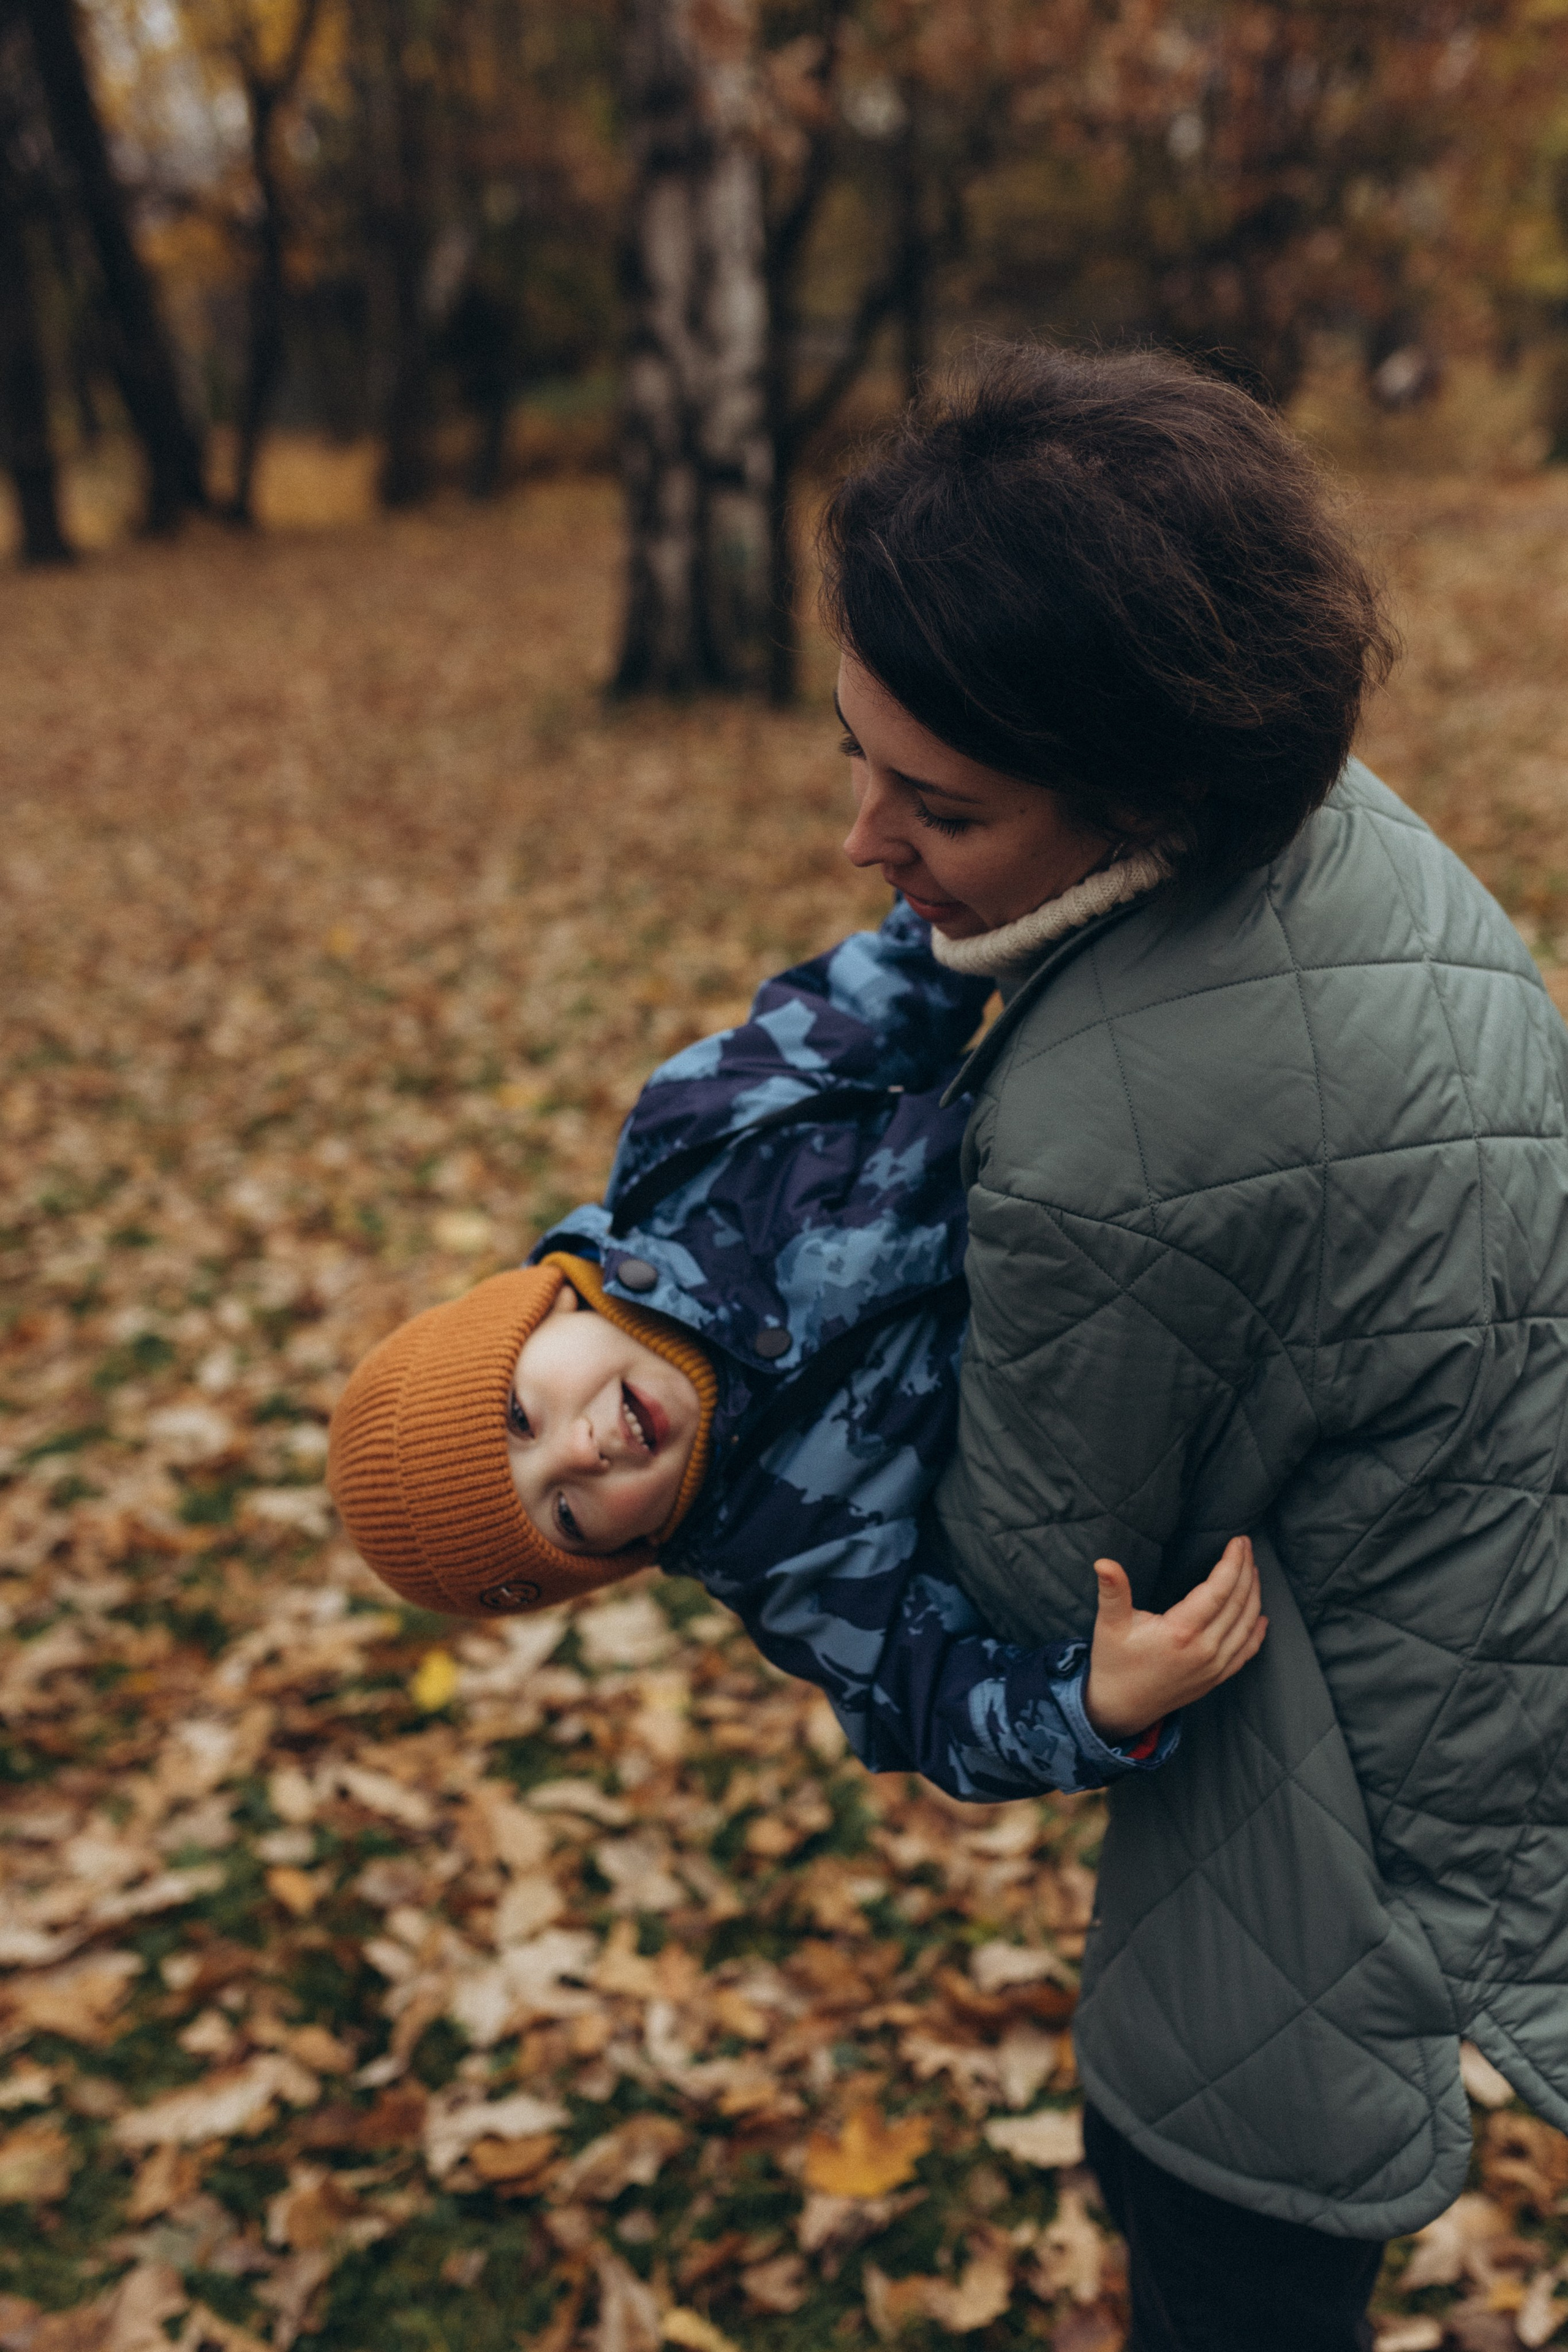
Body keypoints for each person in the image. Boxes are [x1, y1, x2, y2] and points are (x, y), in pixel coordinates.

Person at [818, 342, 1568, 2350]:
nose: (865, 839)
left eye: (942, 807)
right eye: (853, 755)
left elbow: (1019, 1588)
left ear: (1148, 794)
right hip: (1496, 1627)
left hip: (1332, 1797)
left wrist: (723, 1442)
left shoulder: (1104, 1148)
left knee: (1228, 2231)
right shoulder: (1356, 836)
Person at [328, 899, 1265, 1806]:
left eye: (520, 1417)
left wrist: (968, 890)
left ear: (544, 1307)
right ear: (623, 1553)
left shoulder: (691, 1138)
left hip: (1103, 1091)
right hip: (1170, 1307)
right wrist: (1094, 1706)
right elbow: (922, 1709)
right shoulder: (788, 1565)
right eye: (566, 1515)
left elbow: (875, 999)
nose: (580, 1454)